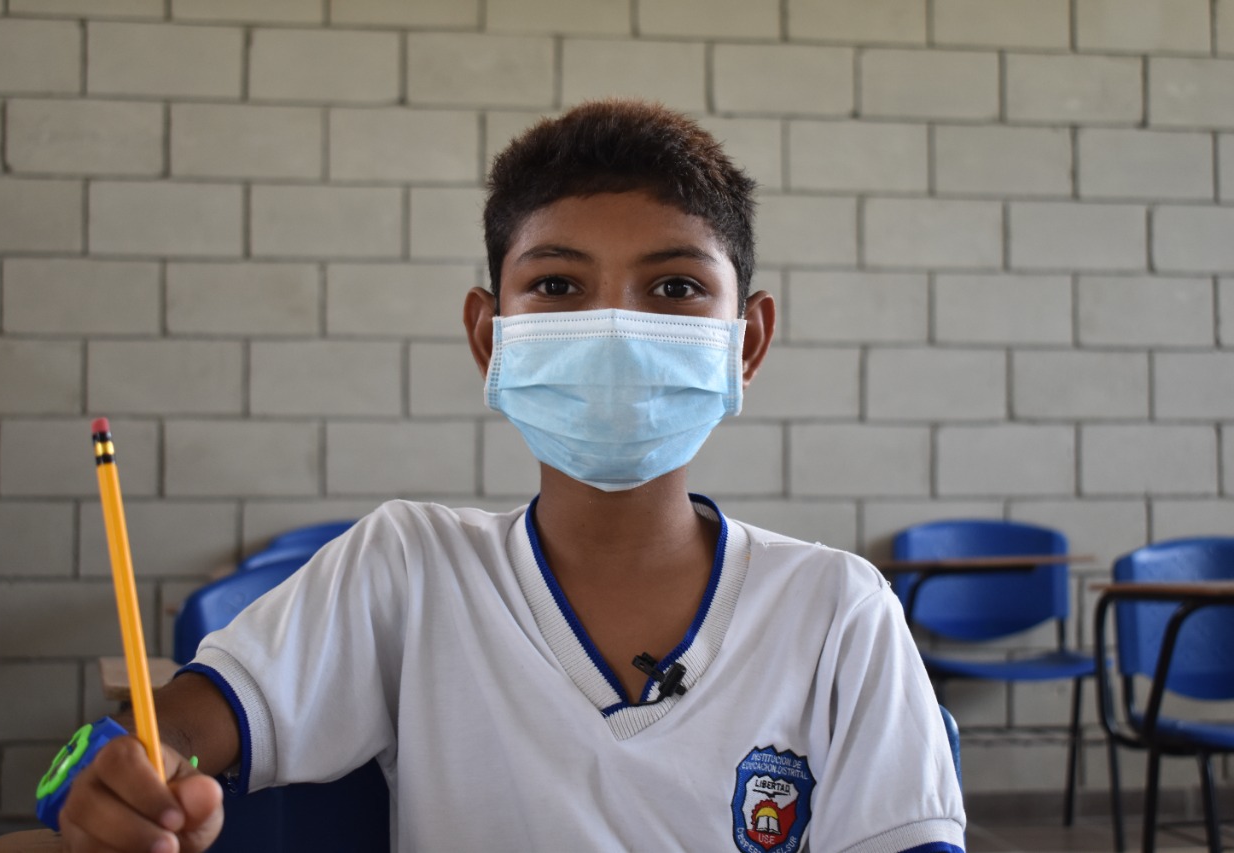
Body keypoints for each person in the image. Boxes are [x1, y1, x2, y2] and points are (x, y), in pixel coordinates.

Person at [50, 99, 965, 853]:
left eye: (675, 286)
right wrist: (110, 779)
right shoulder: (407, 568)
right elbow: (161, 733)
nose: (615, 326)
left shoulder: (838, 609)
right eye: (559, 287)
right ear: (490, 335)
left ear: (747, 340)